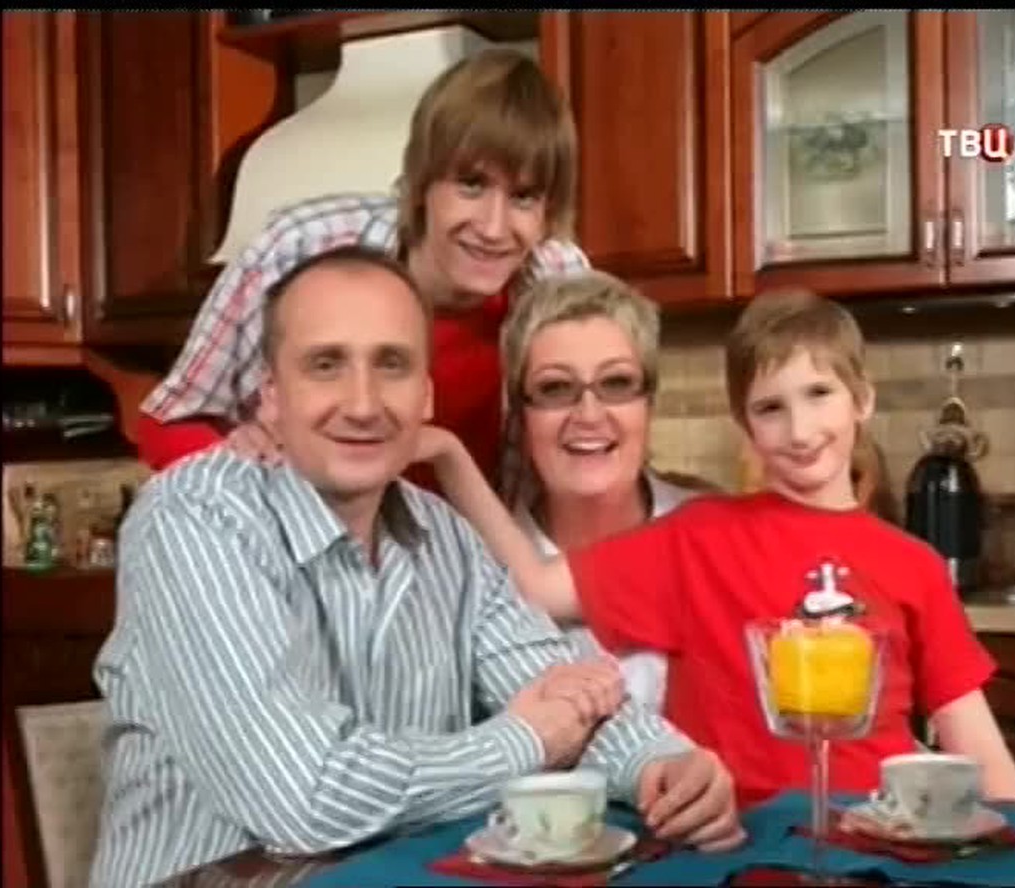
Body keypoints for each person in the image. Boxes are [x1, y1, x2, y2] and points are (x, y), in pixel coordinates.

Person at [89, 245, 745, 887]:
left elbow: (553, 685)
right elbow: (302, 799)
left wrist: (663, 764)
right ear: (270, 396)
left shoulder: (443, 535)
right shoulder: (194, 518)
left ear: (426, 395)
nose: (363, 403)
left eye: (392, 365)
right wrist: (526, 742)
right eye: (325, 364)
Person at [416, 288, 1015, 811]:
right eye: (771, 408)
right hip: (731, 842)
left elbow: (977, 746)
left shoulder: (914, 564)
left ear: (862, 400)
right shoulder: (698, 535)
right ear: (744, 424)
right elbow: (534, 587)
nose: (800, 429)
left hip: (876, 839)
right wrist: (449, 458)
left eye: (819, 393)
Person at [136, 48, 589, 496]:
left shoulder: (561, 285)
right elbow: (167, 420)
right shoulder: (300, 250)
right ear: (422, 183)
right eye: (471, 185)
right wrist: (233, 462)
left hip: (478, 537)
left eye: (524, 197)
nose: (493, 228)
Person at [500, 271, 703, 710]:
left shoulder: (713, 533)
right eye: (555, 388)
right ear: (520, 415)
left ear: (649, 403)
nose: (589, 415)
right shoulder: (482, 568)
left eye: (616, 384)